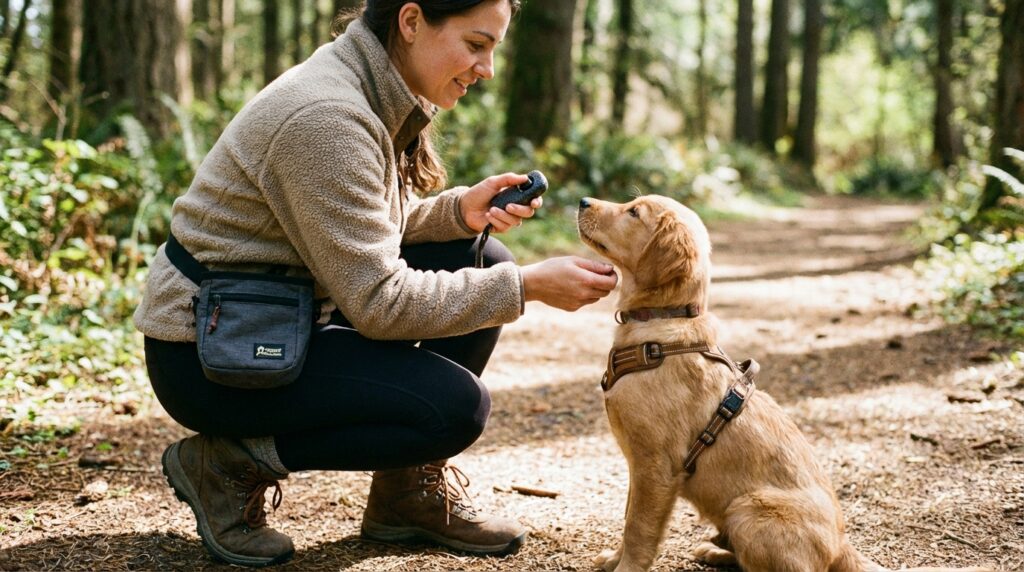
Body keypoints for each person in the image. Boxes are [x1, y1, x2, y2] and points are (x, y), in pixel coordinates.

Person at [133, 0, 618, 567]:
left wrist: (459, 212)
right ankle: (227, 464)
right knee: (452, 411)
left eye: (494, 49)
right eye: (476, 44)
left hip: (274, 318)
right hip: (214, 357)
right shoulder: (326, 117)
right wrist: (527, 287)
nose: (487, 68)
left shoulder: (360, 83)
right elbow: (380, 303)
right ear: (411, 22)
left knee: (481, 256)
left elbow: (350, 227)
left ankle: (403, 496)